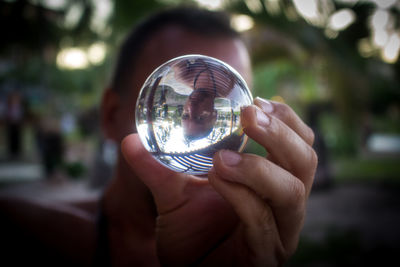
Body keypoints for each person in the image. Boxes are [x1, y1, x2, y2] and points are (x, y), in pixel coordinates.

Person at [0, 7, 317, 267]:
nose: (198, 105)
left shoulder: (241, 245)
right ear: (110, 115)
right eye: (185, 96)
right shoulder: (26, 235)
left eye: (226, 101)